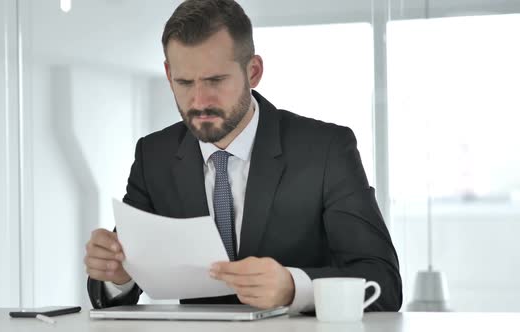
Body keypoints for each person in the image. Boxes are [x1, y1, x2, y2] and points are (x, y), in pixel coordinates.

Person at [84, 0, 402, 315]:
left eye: (215, 81)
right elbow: (120, 281)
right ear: (169, 75)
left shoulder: (326, 149)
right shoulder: (154, 155)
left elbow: (383, 283)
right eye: (184, 82)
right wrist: (118, 275)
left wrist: (294, 286)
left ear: (254, 71)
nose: (199, 101)